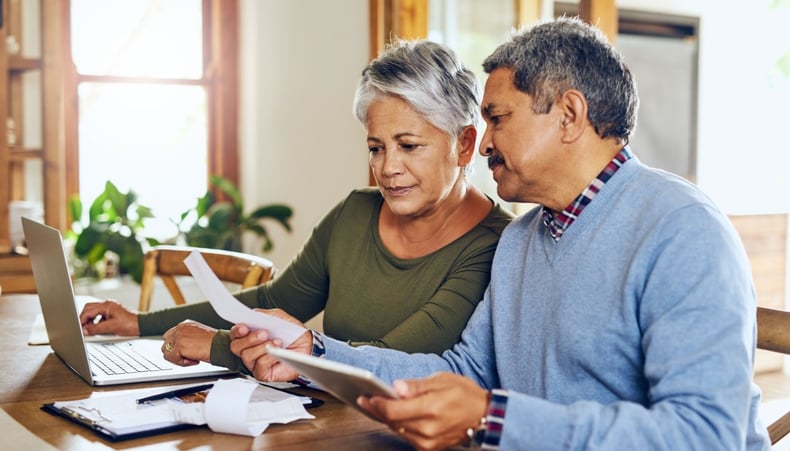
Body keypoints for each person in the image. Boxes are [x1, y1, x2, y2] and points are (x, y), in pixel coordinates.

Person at [228, 17, 771, 450]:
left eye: (497, 118)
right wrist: (315, 351)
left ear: (568, 115)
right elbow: (464, 370)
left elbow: (705, 436)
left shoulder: (682, 230)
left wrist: (493, 418)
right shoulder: (522, 240)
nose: (482, 144)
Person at [78, 39, 513, 372]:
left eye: (409, 146)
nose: (388, 168)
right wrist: (138, 322)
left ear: (464, 144)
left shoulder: (495, 246)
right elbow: (273, 298)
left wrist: (216, 345)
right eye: (376, 148)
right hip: (321, 422)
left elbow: (390, 360)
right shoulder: (355, 212)